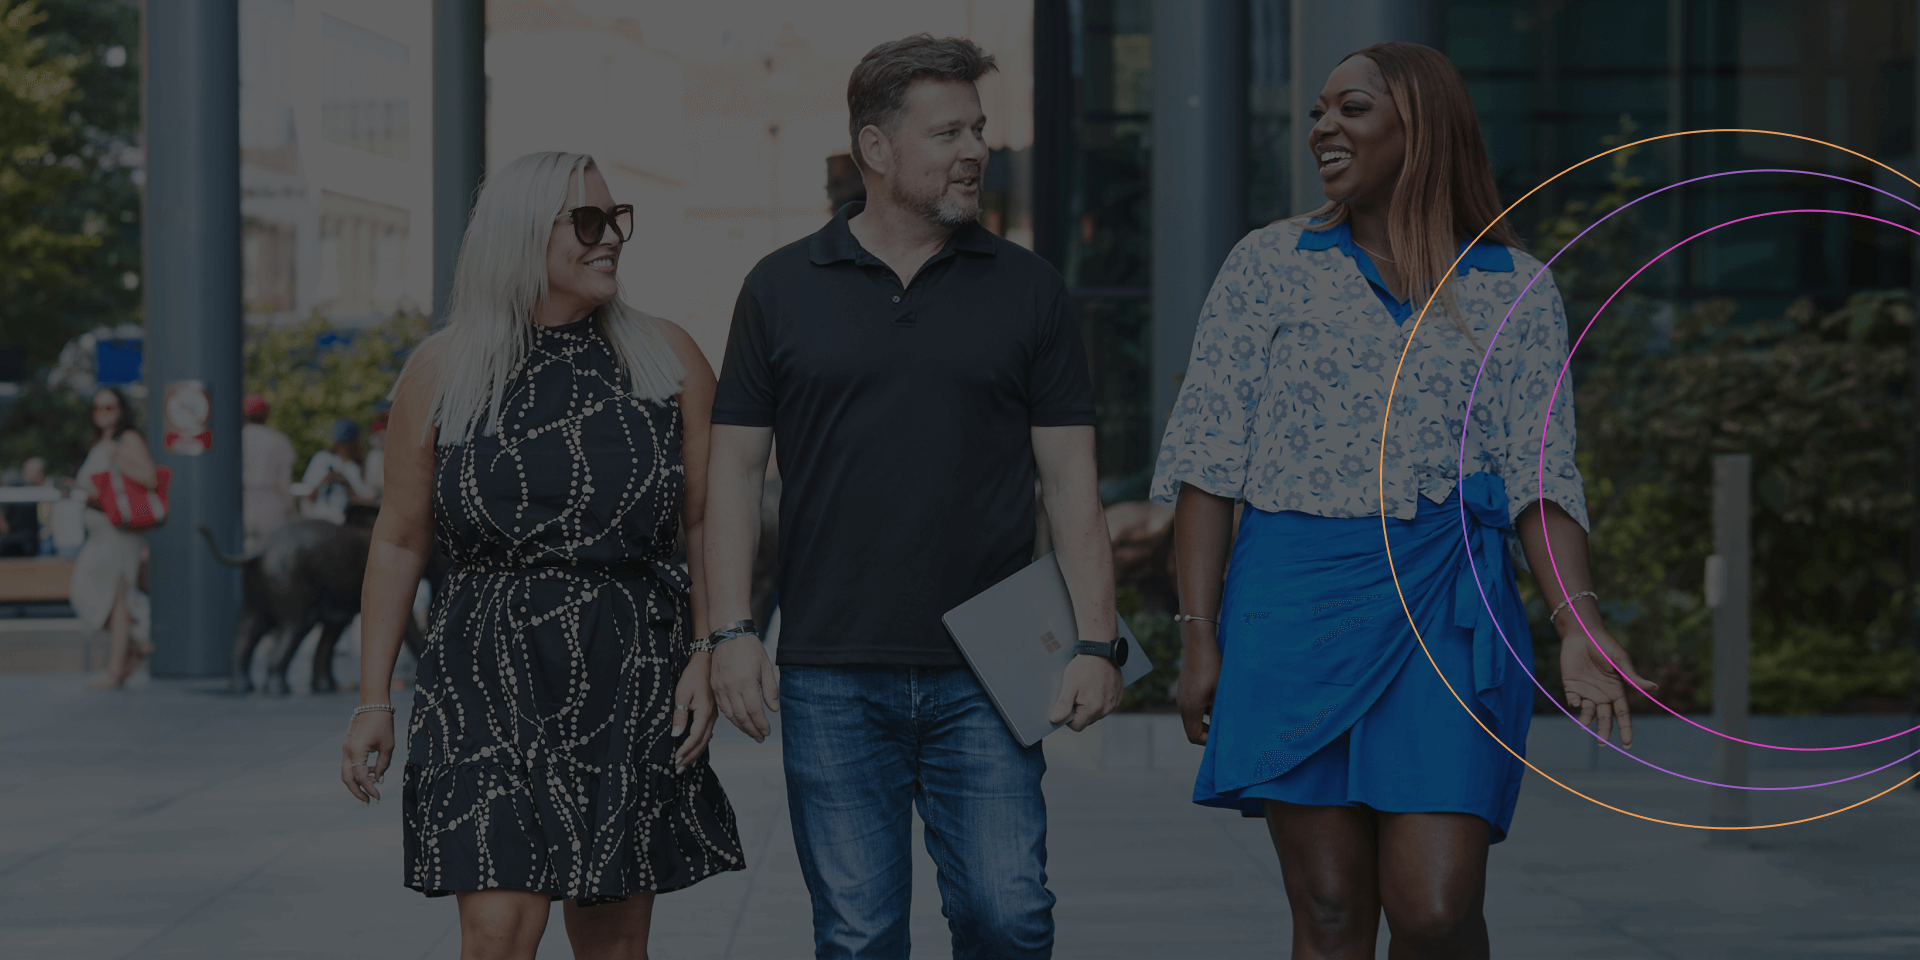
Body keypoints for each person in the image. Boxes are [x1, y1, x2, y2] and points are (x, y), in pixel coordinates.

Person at [1155, 43, 1655, 959]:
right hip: (1292, 605)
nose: (1322, 129)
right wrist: (1198, 636)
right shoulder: (1269, 264)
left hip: (1448, 606)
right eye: (1318, 111)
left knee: (1434, 906)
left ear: (1420, 127)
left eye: (1351, 109)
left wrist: (1578, 622)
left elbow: (1539, 473)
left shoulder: (1516, 288)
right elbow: (1207, 464)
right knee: (1333, 911)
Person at [705, 34, 1122, 959]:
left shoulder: (1030, 290)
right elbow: (731, 473)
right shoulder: (778, 288)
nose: (974, 149)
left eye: (977, 128)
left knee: (1007, 918)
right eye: (947, 132)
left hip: (992, 666)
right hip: (829, 671)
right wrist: (731, 633)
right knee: (857, 936)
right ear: (876, 149)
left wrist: (1097, 640)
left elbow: (1070, 483)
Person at [339, 151, 743, 960]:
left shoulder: (667, 358)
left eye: (615, 220)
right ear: (522, 237)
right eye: (587, 223)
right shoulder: (444, 370)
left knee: (612, 940)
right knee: (496, 929)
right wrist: (373, 695)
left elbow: (704, 528)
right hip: (481, 665)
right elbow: (399, 537)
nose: (610, 240)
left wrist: (708, 649)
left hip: (628, 661)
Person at [71, 387, 157, 690]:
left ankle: (116, 669)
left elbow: (149, 478)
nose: (102, 414)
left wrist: (118, 457)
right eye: (97, 408)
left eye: (109, 408)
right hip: (99, 532)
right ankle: (135, 644)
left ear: (121, 410)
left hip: (119, 532)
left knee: (119, 600)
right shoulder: (99, 443)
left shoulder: (126, 440)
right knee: (87, 593)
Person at [240, 394, 296, 550]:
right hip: (271, 503)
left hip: (243, 500)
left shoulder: (235, 438)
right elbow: (284, 482)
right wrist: (291, 511)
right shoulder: (279, 439)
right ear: (266, 413)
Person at [300, 417, 373, 524]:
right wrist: (326, 479)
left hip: (345, 523)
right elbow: (309, 497)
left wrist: (346, 483)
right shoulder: (322, 459)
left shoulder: (355, 468)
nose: (343, 448)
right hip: (319, 520)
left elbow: (362, 504)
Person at [0, 457, 47, 556]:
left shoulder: (40, 492)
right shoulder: (31, 495)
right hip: (27, 544)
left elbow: (4, 529)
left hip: (17, 545)